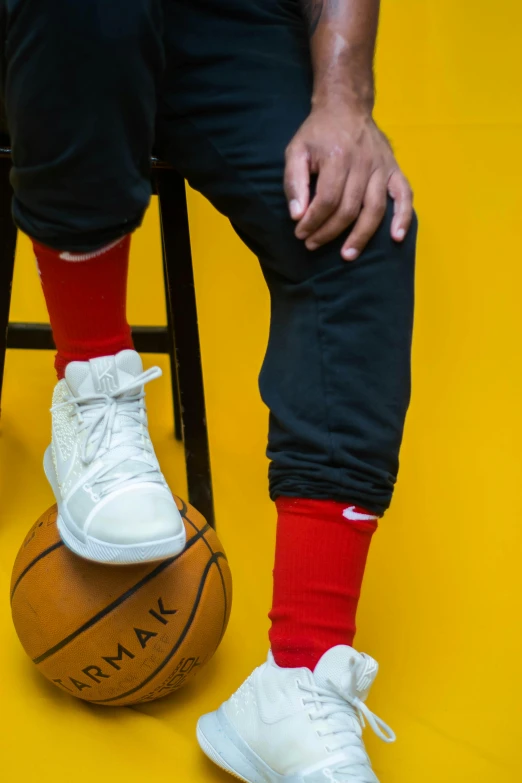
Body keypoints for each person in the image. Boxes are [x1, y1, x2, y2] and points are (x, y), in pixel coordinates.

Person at [0, 1, 416, 780]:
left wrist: (343, 102)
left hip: (228, 15)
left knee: (364, 222)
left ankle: (301, 672)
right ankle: (93, 385)